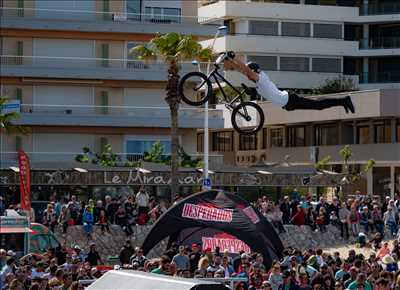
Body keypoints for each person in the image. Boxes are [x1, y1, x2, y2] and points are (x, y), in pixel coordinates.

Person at [223, 52, 355, 114]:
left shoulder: (260, 78)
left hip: (290, 100)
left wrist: (234, 57)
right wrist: (229, 61)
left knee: (318, 106)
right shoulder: (258, 82)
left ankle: (344, 100)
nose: (247, 76)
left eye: (250, 73)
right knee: (317, 106)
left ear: (254, 71)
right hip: (289, 104)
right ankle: (343, 101)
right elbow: (242, 70)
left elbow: (245, 70)